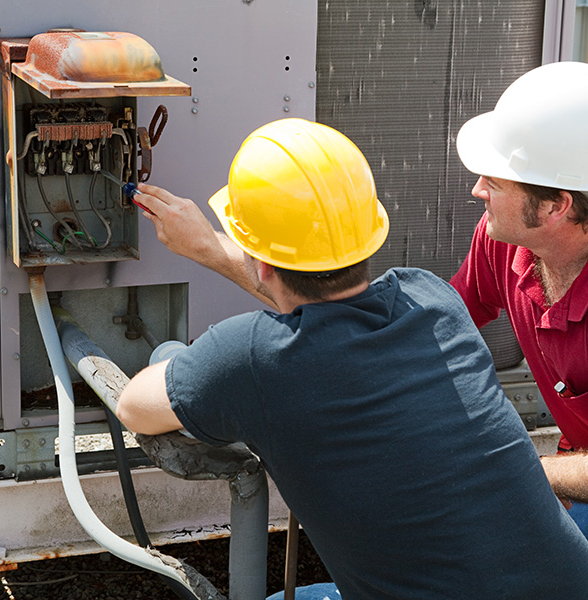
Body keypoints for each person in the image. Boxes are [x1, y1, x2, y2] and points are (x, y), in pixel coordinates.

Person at [117, 118, 588, 599]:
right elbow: (345, 317)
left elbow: (134, 405)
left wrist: (179, 359)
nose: (477, 190)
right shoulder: (432, 298)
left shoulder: (250, 358)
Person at [450, 61, 588, 531]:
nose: (477, 190)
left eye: (495, 180)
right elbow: (441, 323)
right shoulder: (503, 240)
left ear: (555, 205)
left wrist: (523, 471)